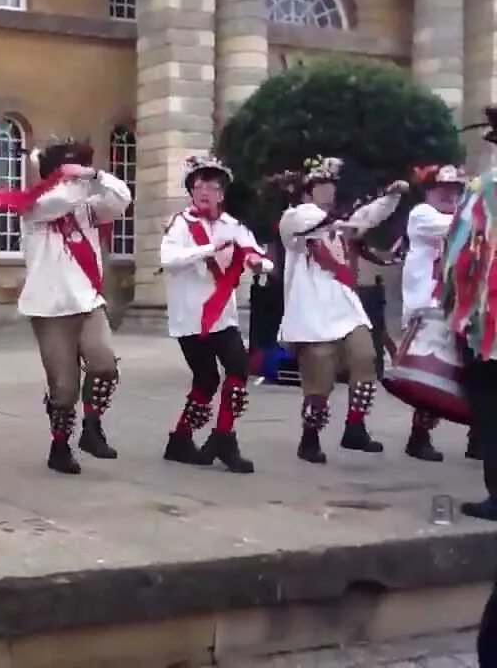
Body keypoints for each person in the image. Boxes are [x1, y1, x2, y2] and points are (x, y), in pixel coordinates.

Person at [0, 136, 130, 475]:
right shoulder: (36, 208)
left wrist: (95, 175)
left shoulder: (87, 206)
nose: (74, 177)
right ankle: (60, 445)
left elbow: (121, 198)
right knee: (64, 387)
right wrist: (76, 179)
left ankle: (92, 427)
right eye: (67, 170)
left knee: (104, 365)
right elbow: (60, 199)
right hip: (49, 309)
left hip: (87, 300)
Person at [275, 157, 408, 464]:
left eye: (331, 187)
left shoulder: (338, 225)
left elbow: (367, 217)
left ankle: (355, 428)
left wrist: (391, 196)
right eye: (321, 186)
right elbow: (311, 223)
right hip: (311, 314)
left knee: (366, 359)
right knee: (319, 382)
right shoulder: (294, 220)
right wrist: (335, 220)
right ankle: (310, 438)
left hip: (346, 308)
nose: (328, 192)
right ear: (307, 192)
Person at [159, 155, 272, 473]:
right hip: (190, 317)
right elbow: (168, 258)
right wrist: (209, 249)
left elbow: (256, 254)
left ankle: (224, 437)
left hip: (223, 315)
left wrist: (259, 264)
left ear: (222, 194)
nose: (205, 190)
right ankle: (180, 439)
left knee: (238, 369)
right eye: (199, 185)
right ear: (191, 191)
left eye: (212, 185)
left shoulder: (233, 226)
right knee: (206, 380)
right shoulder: (180, 224)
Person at [399, 164, 475, 462]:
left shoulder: (466, 220)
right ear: (428, 191)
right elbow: (458, 226)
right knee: (431, 373)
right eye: (441, 189)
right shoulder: (422, 215)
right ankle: (419, 436)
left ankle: (477, 436)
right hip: (427, 307)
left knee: (467, 371)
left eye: (455, 190)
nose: (448, 195)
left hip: (455, 306)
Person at [439, 160, 497, 520]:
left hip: (489, 322)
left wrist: (456, 310)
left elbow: (459, 255)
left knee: (491, 412)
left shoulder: (486, 188)